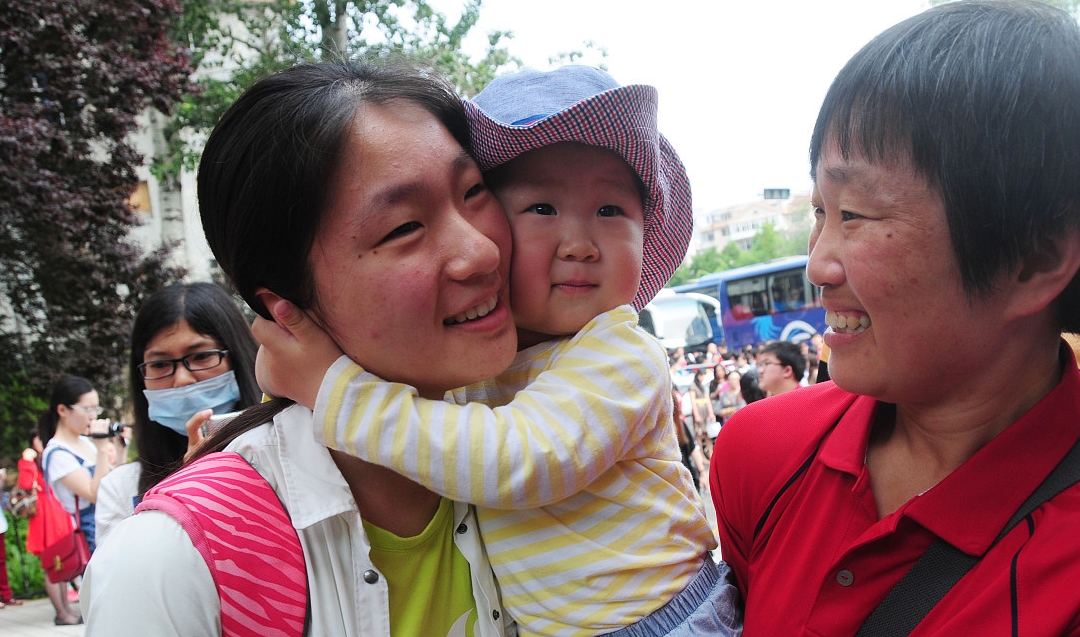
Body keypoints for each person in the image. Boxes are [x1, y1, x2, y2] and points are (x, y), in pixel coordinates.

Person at [256, 65, 740, 637]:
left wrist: (333, 389)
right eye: (541, 209)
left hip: (661, 621)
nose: (580, 244)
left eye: (611, 211)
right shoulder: (478, 363)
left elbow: (519, 459)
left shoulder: (620, 354)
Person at [82, 60, 519, 637]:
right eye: (404, 227)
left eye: (473, 191)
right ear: (286, 304)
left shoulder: (535, 466)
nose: (482, 250)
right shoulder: (175, 558)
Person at [710, 1, 1080, 634]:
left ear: (1032, 260)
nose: (818, 265)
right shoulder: (760, 454)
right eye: (820, 212)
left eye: (855, 214)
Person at [93, 282, 261, 547]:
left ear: (237, 358)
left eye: (202, 356)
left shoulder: (291, 453)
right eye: (159, 364)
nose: (182, 379)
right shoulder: (121, 490)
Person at [39, 375, 113, 554]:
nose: (93, 416)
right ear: (63, 410)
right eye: (88, 409)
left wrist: (121, 446)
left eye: (96, 409)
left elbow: (114, 482)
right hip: (94, 534)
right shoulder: (57, 454)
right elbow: (96, 495)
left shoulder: (85, 441)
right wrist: (102, 450)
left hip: (112, 523)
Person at [17, 430, 80, 624]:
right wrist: (27, 461)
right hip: (44, 517)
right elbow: (25, 484)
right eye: (37, 439)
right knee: (51, 565)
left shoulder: (54, 456)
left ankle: (66, 610)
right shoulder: (31, 462)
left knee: (61, 563)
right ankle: (61, 613)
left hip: (58, 513)